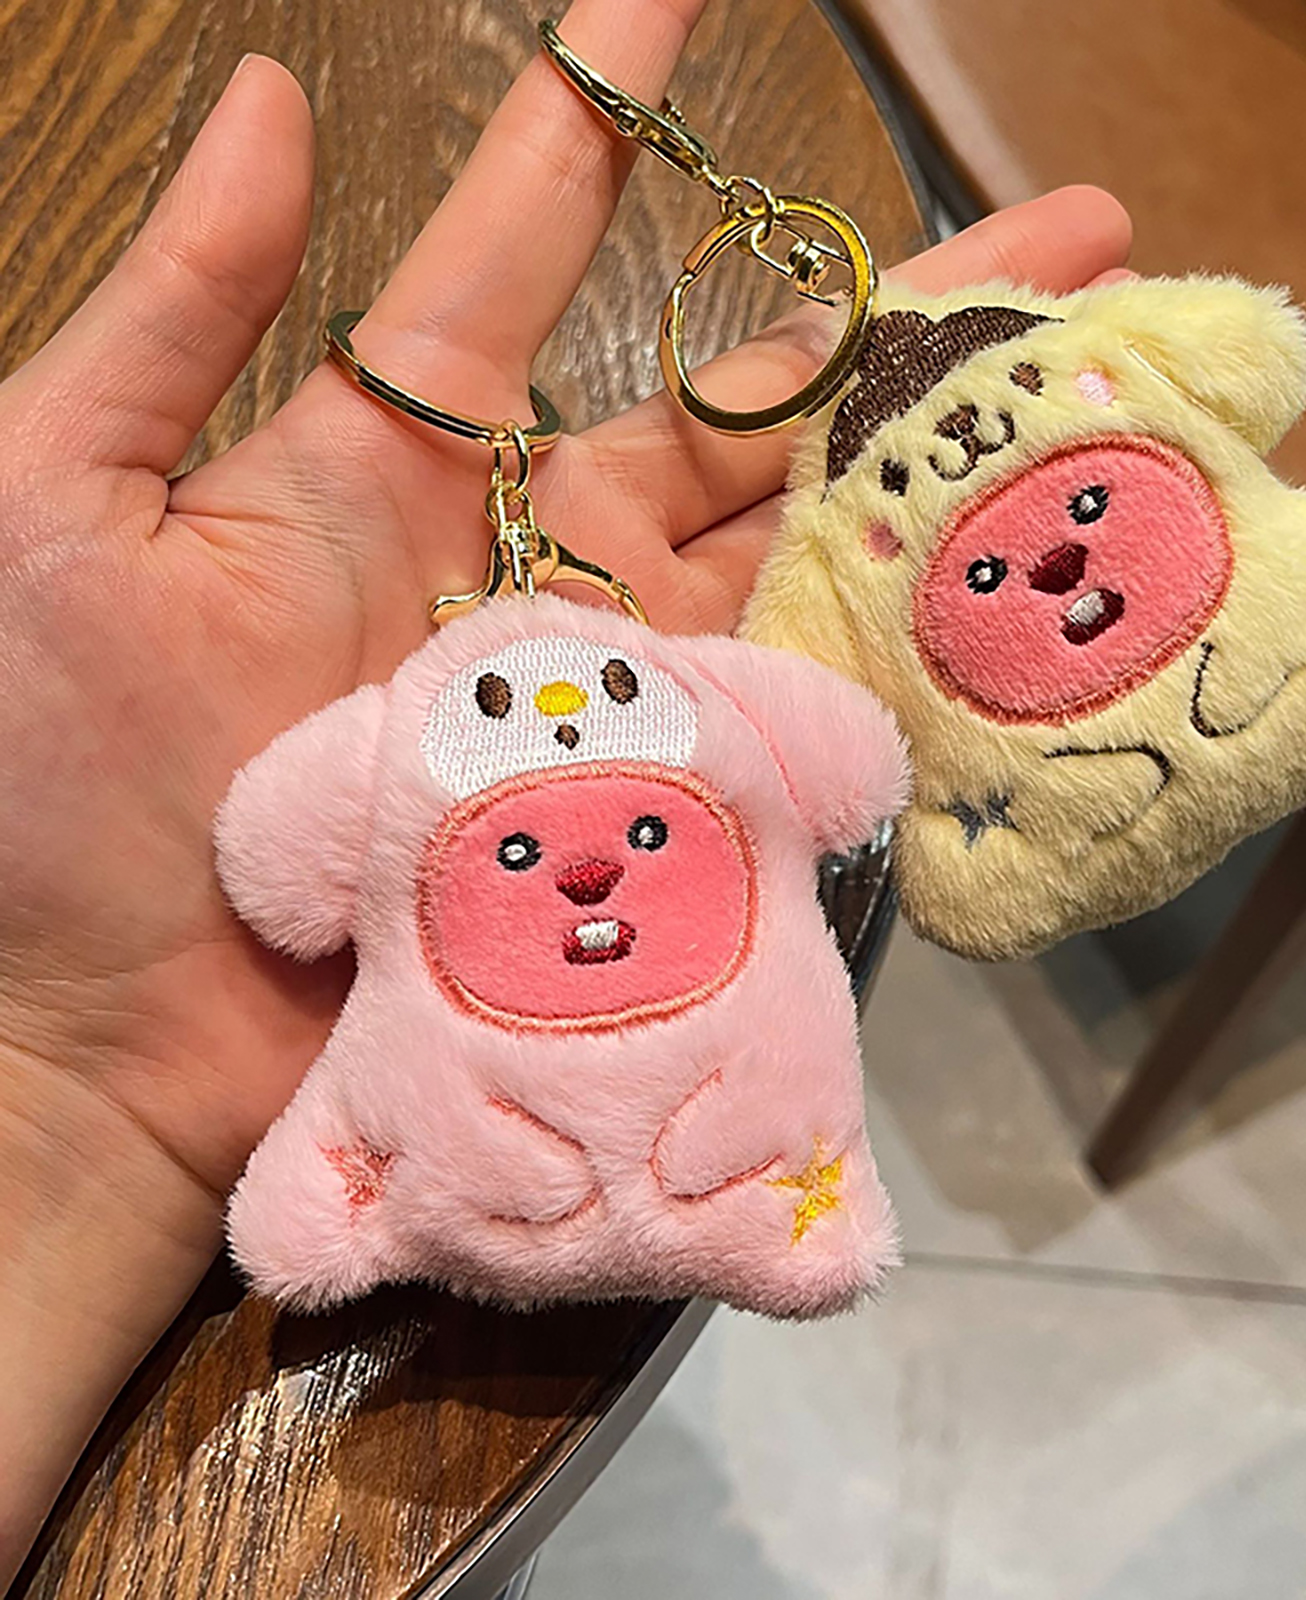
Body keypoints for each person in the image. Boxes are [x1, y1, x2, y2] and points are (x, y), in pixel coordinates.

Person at [0, 0, 1131, 1578]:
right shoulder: (562, 724)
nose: (594, 866)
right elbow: (275, 855)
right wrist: (53, 1078)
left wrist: (53, 1095)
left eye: (645, 830)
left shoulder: (454, 729)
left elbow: (845, 761)